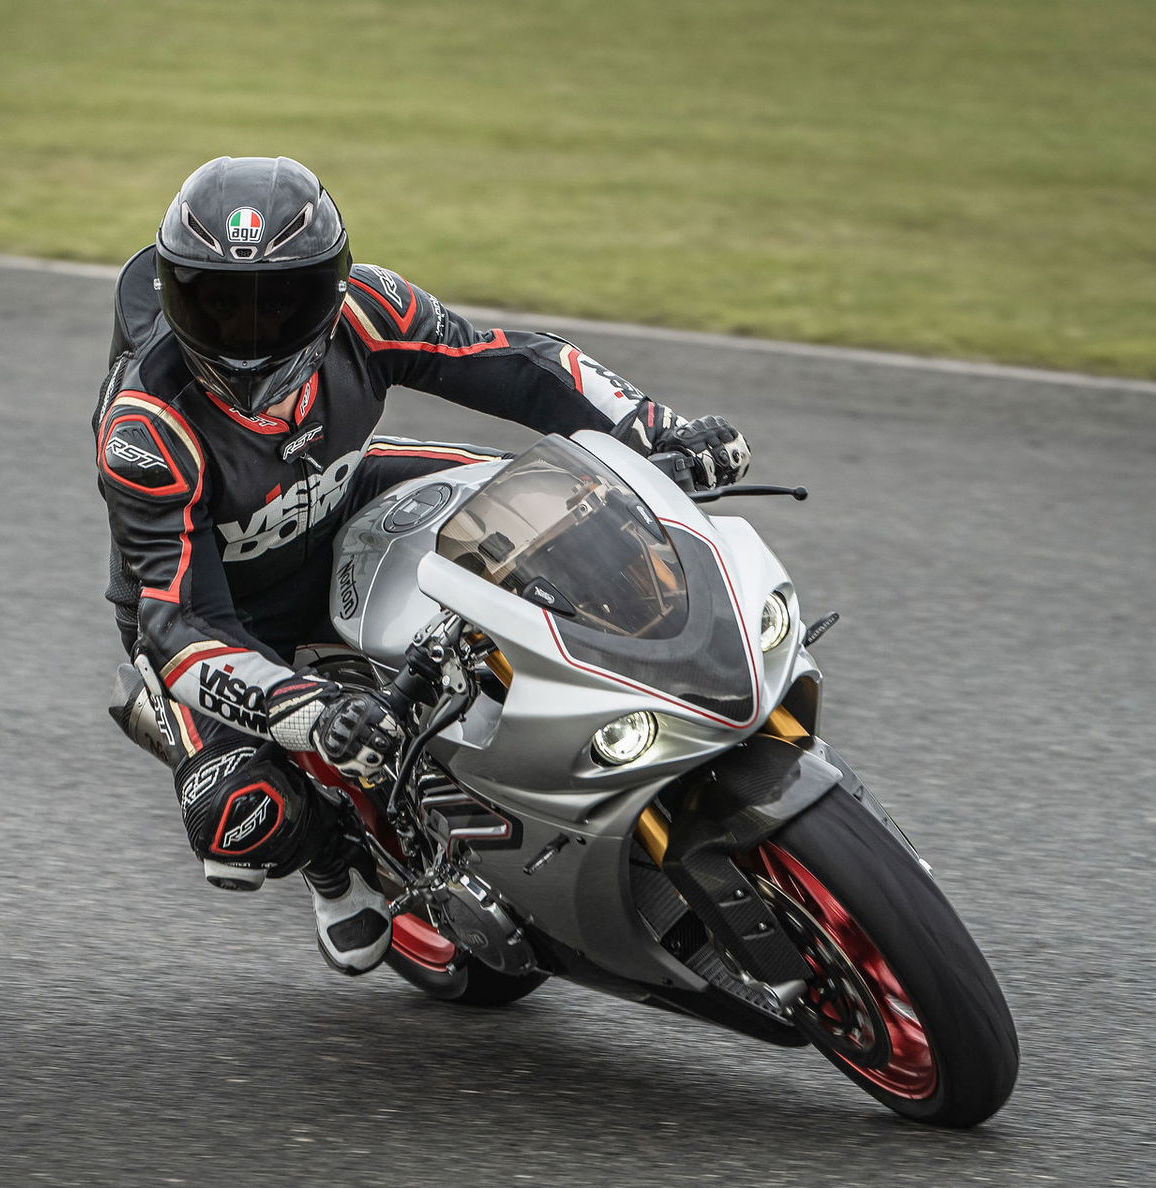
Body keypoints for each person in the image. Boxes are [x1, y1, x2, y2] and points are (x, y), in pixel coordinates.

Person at [92, 155, 751, 976]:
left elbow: (516, 362)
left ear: (330, 292)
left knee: (558, 501)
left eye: (281, 303)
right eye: (218, 305)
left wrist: (654, 426)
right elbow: (178, 620)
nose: (252, 338)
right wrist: (307, 711)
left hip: (339, 494)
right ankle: (332, 863)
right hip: (217, 606)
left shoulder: (368, 308)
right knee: (239, 815)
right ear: (172, 294)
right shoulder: (146, 429)